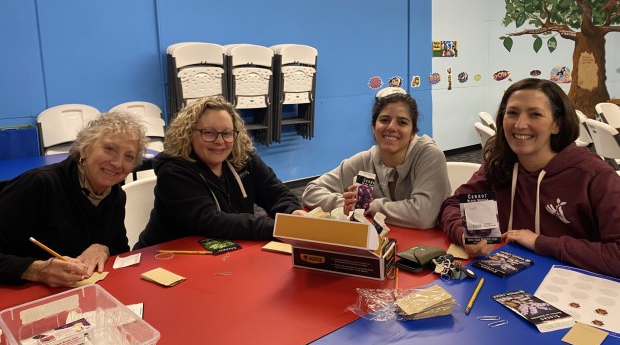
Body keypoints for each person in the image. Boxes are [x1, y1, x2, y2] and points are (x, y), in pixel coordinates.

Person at [439, 78, 620, 278]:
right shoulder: (500, 164)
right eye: (512, 113)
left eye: (535, 114)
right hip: (504, 283)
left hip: (573, 291)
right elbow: (453, 205)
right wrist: (466, 235)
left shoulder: (595, 177)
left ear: (557, 125)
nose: (520, 124)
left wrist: (539, 242)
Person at [135, 96, 304, 249]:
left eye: (227, 133)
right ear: (188, 133)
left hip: (223, 251)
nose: (220, 141)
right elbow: (209, 221)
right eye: (209, 133)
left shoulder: (244, 158)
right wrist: (277, 228)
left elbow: (277, 193)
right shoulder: (173, 170)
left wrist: (292, 212)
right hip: (166, 256)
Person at [0, 111, 147, 286]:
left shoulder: (115, 195)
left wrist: (104, 248)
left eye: (129, 157)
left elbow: (120, 249)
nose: (117, 163)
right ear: (85, 149)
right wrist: (37, 270)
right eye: (109, 149)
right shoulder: (40, 185)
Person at [302, 89, 451, 229]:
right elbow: (311, 191)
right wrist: (343, 204)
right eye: (384, 120)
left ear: (413, 132)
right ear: (374, 127)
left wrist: (369, 206)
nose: (391, 127)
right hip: (382, 244)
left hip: (428, 246)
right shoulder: (364, 160)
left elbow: (423, 215)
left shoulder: (429, 156)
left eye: (402, 122)